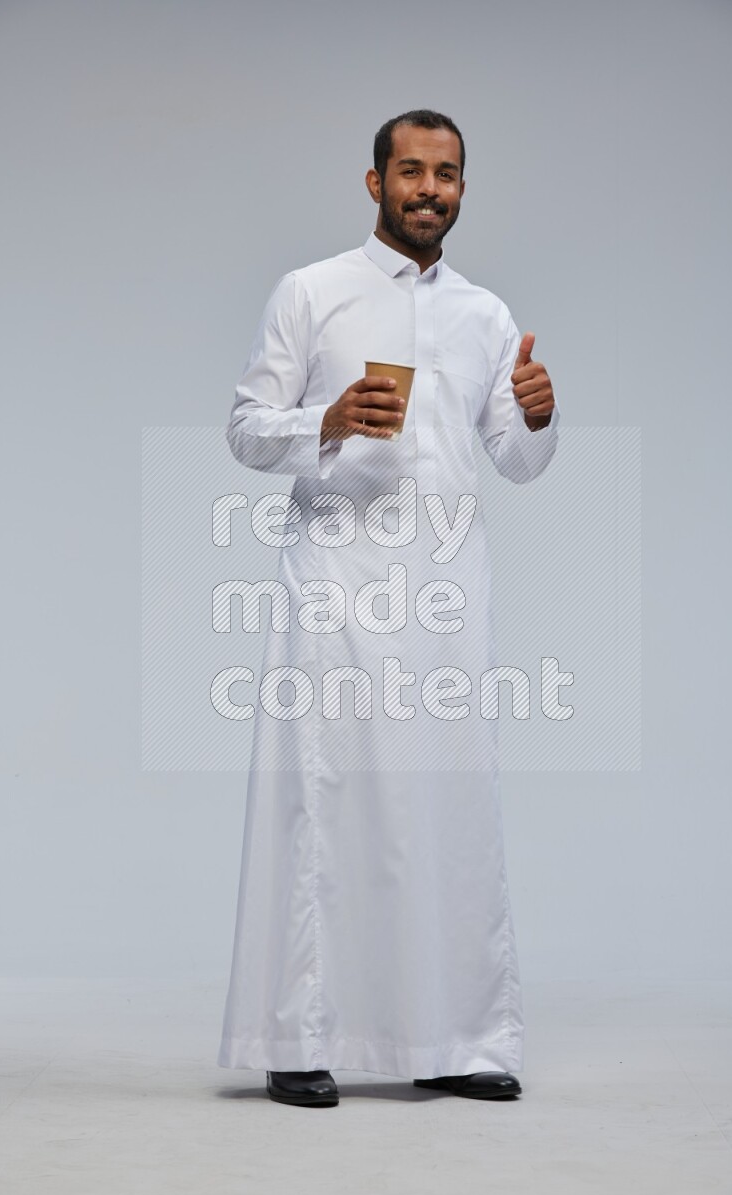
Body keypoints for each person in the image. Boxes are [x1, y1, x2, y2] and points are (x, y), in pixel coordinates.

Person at [218, 109, 560, 1107]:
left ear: (460, 188)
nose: (427, 189)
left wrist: (537, 412)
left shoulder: (485, 317)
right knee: (324, 805)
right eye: (409, 171)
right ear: (372, 184)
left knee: (446, 810)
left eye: (445, 174)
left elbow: (515, 457)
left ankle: (452, 1036)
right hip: (336, 585)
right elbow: (244, 428)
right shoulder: (313, 293)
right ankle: (297, 1035)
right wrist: (321, 420)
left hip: (447, 596)